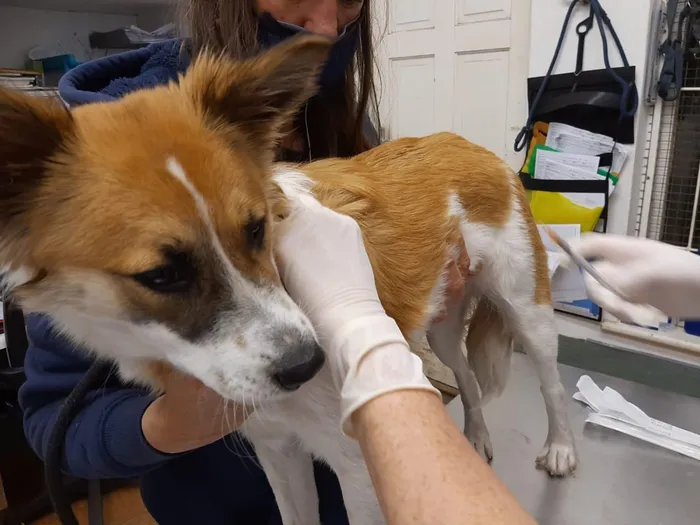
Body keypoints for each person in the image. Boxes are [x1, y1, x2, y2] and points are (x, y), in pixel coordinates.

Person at [18, 1, 470, 523]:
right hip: (219, 510)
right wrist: (168, 424)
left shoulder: (329, 107)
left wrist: (417, 284)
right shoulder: (61, 187)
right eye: (164, 274)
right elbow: (54, 422)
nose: (329, 26)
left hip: (369, 481)